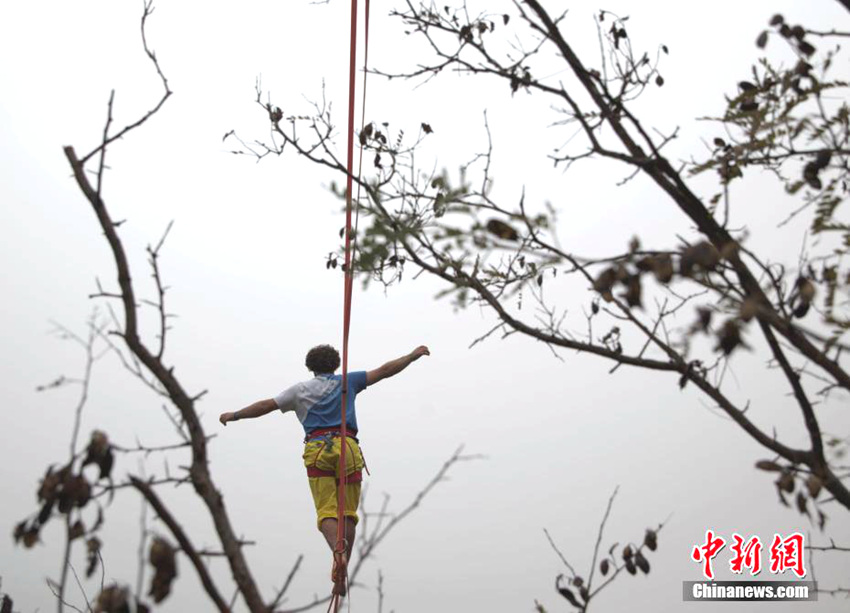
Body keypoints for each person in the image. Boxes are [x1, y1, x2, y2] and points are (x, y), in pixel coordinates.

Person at [219, 343, 430, 595]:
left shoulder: (299, 391)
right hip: (349, 448)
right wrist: (412, 356)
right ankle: (343, 570)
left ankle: (337, 552)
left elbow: (266, 405)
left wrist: (235, 415)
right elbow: (385, 370)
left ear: (310, 367)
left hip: (319, 449)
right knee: (348, 513)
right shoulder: (348, 381)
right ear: (336, 364)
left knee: (327, 510)